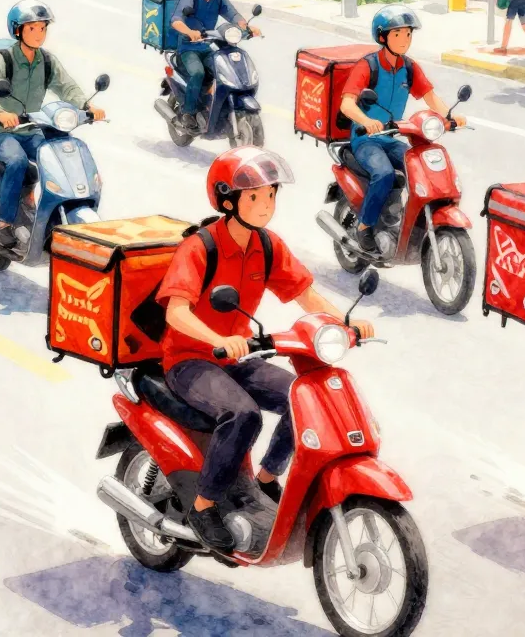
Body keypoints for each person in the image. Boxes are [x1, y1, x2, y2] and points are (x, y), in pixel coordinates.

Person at [156, 147, 376, 551]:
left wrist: (345, 324)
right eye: (254, 196)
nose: (266, 205)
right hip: (190, 361)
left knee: (303, 398)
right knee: (243, 415)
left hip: (238, 358)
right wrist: (218, 340)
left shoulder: (267, 245)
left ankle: (266, 478)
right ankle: (204, 506)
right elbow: (176, 312)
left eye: (271, 195)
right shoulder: (200, 248)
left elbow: (305, 295)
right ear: (227, 200)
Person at [0, 0, 107, 250]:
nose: (39, 34)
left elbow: (66, 86)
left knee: (62, 155)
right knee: (17, 162)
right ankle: (4, 223)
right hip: (2, 132)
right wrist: (0, 113)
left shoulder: (46, 60)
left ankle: (45, 210)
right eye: (32, 28)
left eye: (42, 28)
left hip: (32, 129)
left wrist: (87, 106)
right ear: (18, 31)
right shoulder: (3, 60)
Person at [338, 4, 466, 254]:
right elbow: (347, 104)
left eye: (408, 34)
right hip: (366, 140)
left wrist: (449, 118)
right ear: (382, 37)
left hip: (391, 138)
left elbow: (430, 97)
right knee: (384, 174)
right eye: (397, 34)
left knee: (423, 169)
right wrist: (366, 121)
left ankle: (401, 219)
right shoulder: (368, 66)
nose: (404, 39)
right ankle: (365, 226)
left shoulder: (409, 67)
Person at [170, 0, 260, 131]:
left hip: (207, 47)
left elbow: (233, 15)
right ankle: (188, 112)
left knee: (225, 70)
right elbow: (176, 20)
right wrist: (189, 32)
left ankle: (214, 107)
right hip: (189, 48)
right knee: (198, 73)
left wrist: (248, 28)